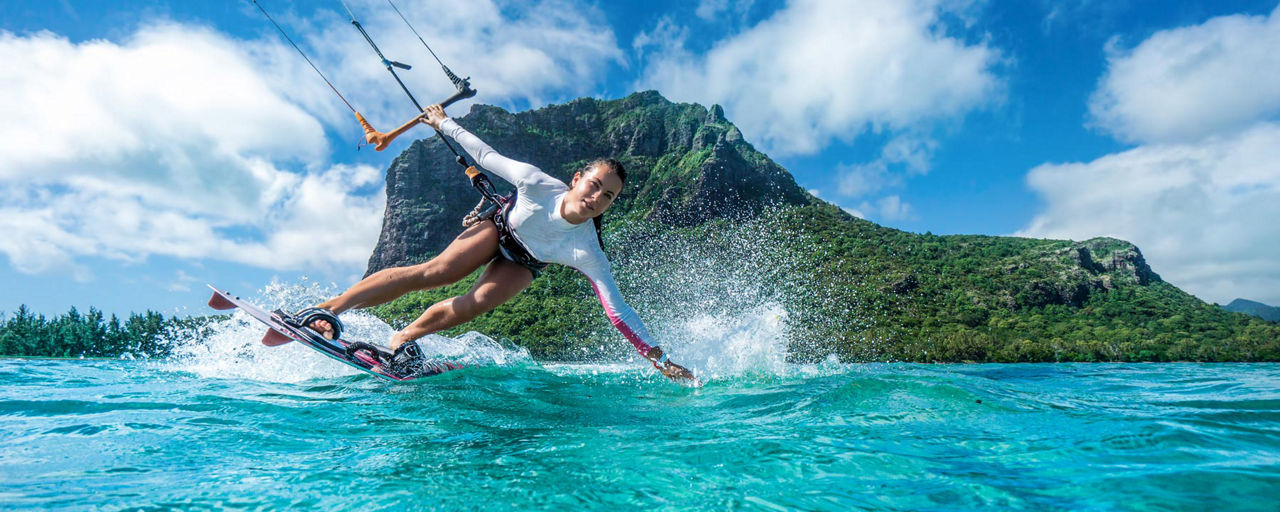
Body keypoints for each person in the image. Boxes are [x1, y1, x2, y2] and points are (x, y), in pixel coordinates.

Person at [300, 104, 696, 383]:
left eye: (608, 196)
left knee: (474, 304)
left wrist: (659, 359)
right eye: (594, 185)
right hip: (499, 227)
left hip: (526, 261)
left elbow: (620, 313)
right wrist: (444, 123)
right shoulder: (537, 183)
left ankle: (402, 339)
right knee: (436, 273)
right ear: (577, 179)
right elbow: (486, 155)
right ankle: (326, 310)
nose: (596, 198)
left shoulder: (590, 251)